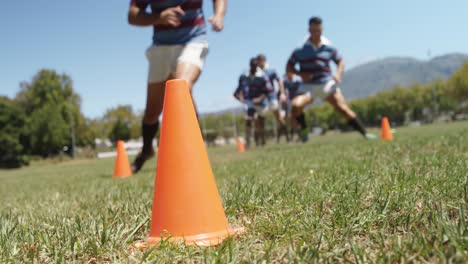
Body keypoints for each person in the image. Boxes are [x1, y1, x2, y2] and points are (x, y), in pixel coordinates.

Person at [128, 0, 227, 173]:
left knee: (182, 87)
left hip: (193, 39)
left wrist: (219, 14)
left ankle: (195, 153)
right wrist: (158, 18)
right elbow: (132, 15)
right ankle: (146, 150)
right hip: (161, 46)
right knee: (152, 112)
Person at [286, 16, 376, 142]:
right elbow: (289, 66)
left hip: (326, 84)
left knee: (343, 109)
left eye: (318, 30)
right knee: (295, 105)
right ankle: (304, 130)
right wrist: (300, 74)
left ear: (322, 29)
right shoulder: (300, 49)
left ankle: (365, 134)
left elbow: (340, 61)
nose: (316, 33)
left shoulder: (329, 47)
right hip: (308, 86)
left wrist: (338, 74)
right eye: (313, 30)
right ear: (309, 30)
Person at [233, 58, 273, 148]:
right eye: (252, 66)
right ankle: (248, 142)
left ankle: (262, 139)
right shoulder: (244, 77)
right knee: (249, 119)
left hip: (262, 103)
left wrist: (259, 99)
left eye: (256, 66)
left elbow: (267, 91)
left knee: (260, 123)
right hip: (250, 103)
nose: (254, 67)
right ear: (250, 66)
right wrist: (241, 98)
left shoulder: (262, 77)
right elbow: (237, 92)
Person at [257, 54, 289, 141]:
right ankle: (262, 141)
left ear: (264, 61)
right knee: (261, 120)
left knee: (279, 118)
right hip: (262, 100)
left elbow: (280, 82)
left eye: (262, 60)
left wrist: (282, 93)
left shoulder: (271, 71)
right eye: (259, 60)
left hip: (272, 97)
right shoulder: (256, 74)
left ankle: (288, 138)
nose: (260, 62)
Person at [281, 72, 305, 141]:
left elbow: (302, 91)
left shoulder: (298, 81)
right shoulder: (285, 82)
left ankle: (304, 135)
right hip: (290, 102)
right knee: (291, 119)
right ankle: (296, 135)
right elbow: (282, 90)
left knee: (301, 119)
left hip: (299, 101)